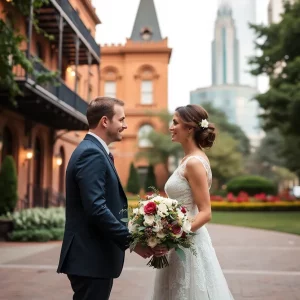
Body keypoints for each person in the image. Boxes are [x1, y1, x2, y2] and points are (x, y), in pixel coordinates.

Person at [57, 97, 154, 300]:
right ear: (105, 121)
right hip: (90, 259)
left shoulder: (95, 150)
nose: (125, 125)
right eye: (121, 120)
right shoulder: (91, 153)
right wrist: (133, 242)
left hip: (93, 259)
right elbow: (96, 208)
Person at [151, 104, 234, 300]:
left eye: (175, 123)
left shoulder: (194, 163)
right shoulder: (186, 159)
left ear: (189, 128)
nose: (171, 127)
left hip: (188, 245)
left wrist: (173, 237)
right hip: (179, 240)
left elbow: (205, 212)